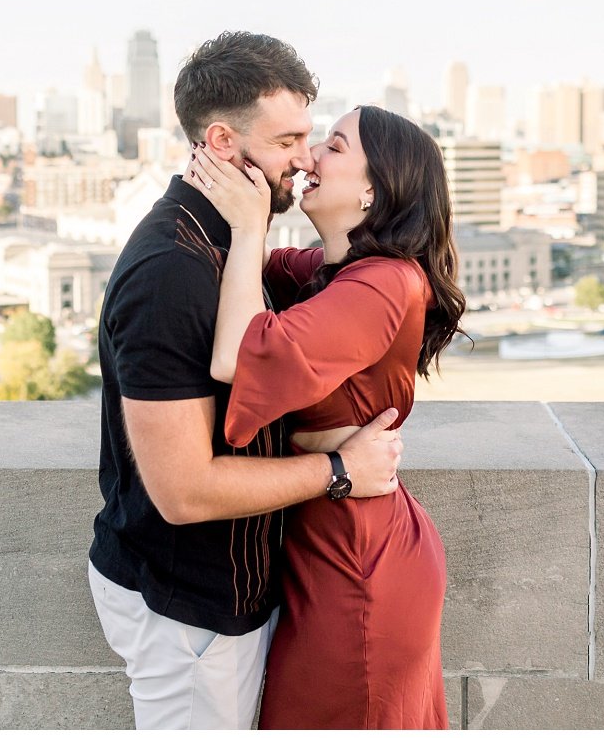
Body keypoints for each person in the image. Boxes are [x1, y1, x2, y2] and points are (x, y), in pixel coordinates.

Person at [88, 33, 405, 730]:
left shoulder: (236, 235)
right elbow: (183, 489)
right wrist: (338, 470)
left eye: (311, 135)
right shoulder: (171, 272)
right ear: (224, 141)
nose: (306, 156)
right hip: (189, 609)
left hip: (229, 598)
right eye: (289, 138)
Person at [184, 103, 465, 729]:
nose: (310, 157)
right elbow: (249, 275)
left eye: (333, 146)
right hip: (331, 534)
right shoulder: (339, 271)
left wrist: (253, 225)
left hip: (360, 558)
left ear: (374, 187)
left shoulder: (385, 284)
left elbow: (235, 353)